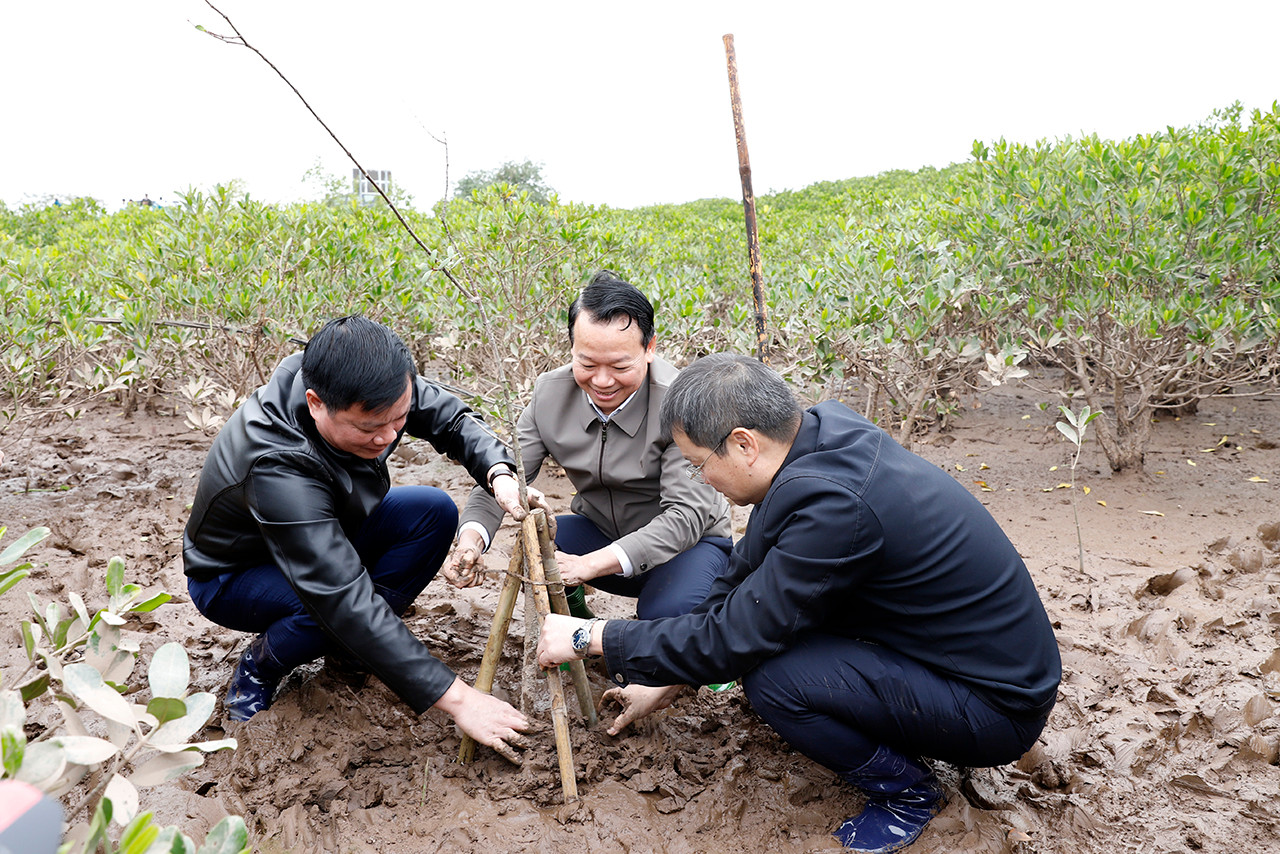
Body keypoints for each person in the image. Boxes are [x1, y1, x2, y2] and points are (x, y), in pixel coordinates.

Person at [537, 353, 1062, 853]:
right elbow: (740, 576)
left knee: (775, 678)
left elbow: (735, 640)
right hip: (959, 659)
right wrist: (668, 680)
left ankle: (906, 792)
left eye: (700, 466)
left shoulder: (834, 504)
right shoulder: (819, 440)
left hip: (996, 706)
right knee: (775, 633)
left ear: (744, 445)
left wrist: (591, 637)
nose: (705, 482)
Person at [183, 315, 529, 760]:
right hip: (234, 575)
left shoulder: (372, 384)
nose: (387, 437)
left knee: (432, 511)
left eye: (398, 419)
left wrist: (498, 473)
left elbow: (450, 417)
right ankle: (259, 665)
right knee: (332, 613)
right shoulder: (276, 463)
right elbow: (341, 597)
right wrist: (461, 700)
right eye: (368, 430)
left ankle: (352, 652)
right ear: (316, 403)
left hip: (330, 533)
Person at [448, 271, 732, 621]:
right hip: (600, 533)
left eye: (619, 366)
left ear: (650, 349)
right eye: (586, 363)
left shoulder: (682, 404)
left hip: (688, 548)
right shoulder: (550, 395)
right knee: (535, 549)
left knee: (668, 617)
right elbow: (503, 473)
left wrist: (588, 565)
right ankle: (577, 622)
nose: (601, 381)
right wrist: (471, 541)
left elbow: (686, 517)